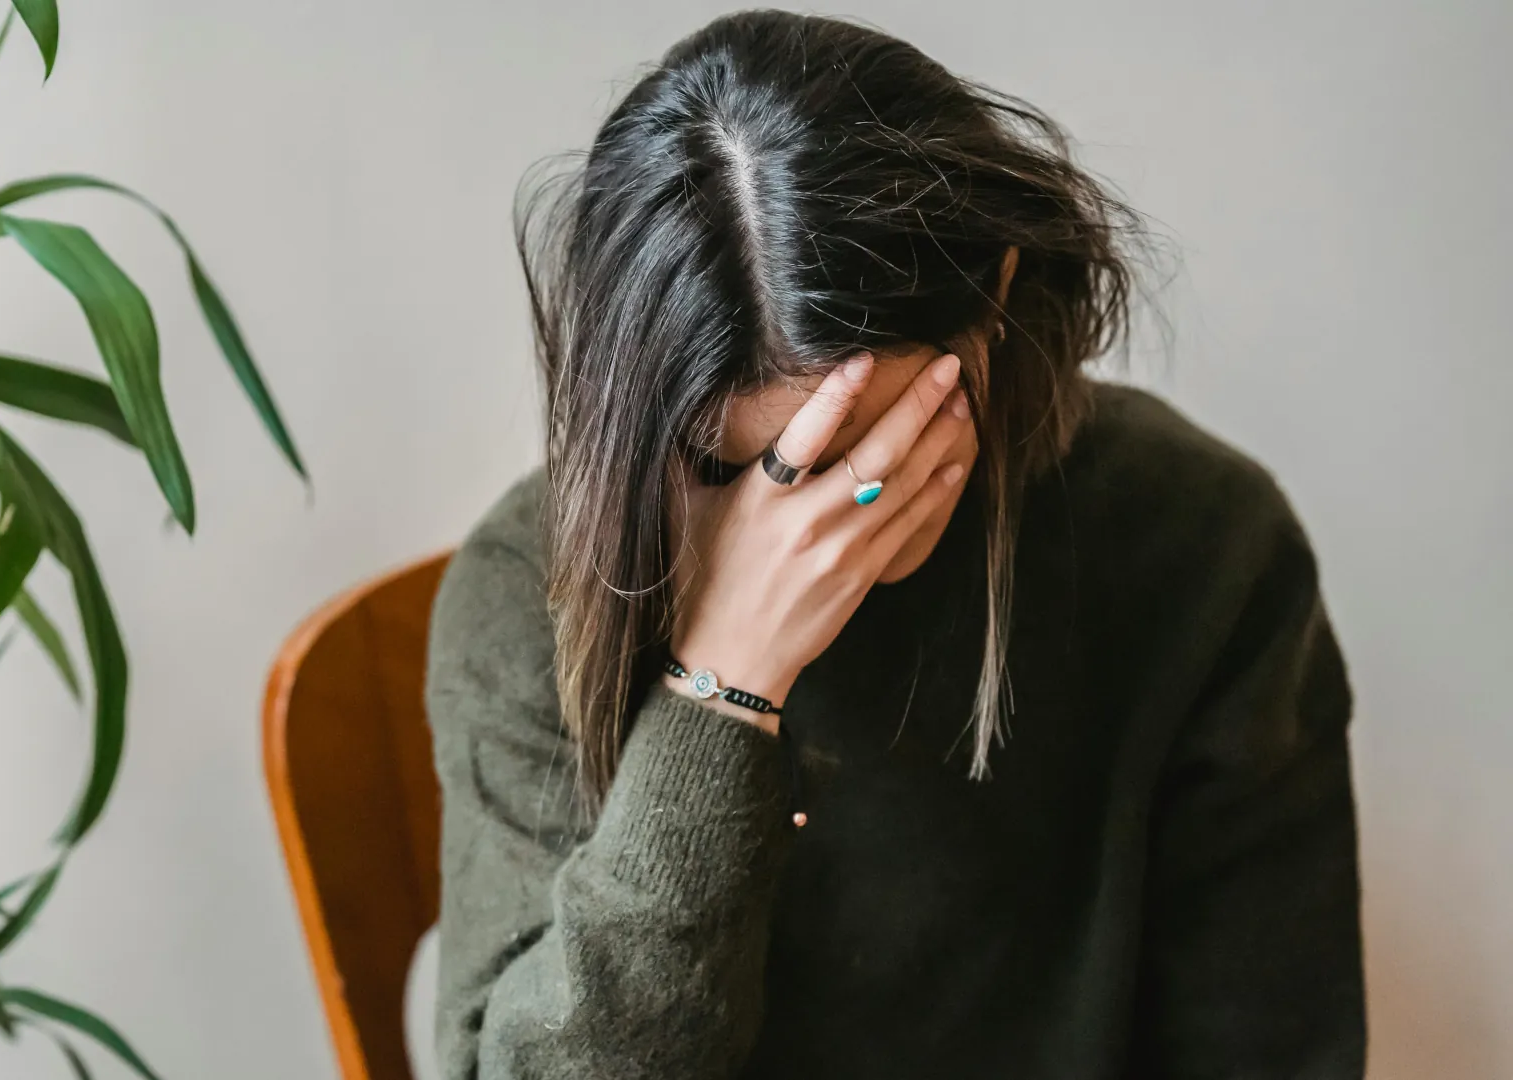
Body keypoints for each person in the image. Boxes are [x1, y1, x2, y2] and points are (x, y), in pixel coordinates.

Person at [425, 11, 1364, 1079]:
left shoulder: (1202, 544)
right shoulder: (528, 594)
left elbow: (1269, 1047)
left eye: (872, 444)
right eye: (744, 470)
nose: (821, 526)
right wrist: (720, 693)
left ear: (997, 289)